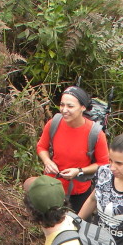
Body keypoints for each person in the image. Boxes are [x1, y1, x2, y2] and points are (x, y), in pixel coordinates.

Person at [35, 85, 110, 213]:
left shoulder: (95, 133)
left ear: (83, 107)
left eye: (70, 106)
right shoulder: (54, 123)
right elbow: (41, 147)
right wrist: (47, 161)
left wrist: (79, 171)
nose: (64, 110)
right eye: (62, 105)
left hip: (78, 192)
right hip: (51, 185)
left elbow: (103, 164)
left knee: (74, 227)